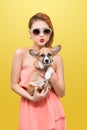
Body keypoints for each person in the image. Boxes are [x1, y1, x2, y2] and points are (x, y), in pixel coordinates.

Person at [10, 12, 66, 130]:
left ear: (50, 33)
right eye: (36, 31)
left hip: (52, 108)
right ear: (30, 33)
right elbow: (13, 84)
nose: (41, 35)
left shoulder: (57, 58)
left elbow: (61, 92)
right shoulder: (21, 53)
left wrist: (50, 76)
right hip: (30, 107)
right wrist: (32, 98)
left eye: (46, 31)